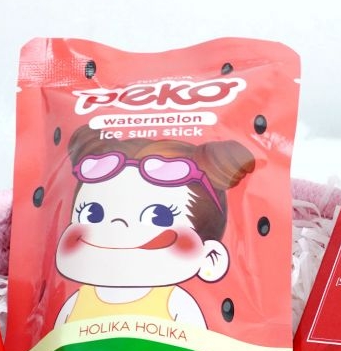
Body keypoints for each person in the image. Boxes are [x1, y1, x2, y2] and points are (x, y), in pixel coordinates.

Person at [53, 126, 255, 329]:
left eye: (159, 217)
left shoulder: (176, 304)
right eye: (92, 213)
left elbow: (199, 347)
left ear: (210, 257)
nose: (118, 225)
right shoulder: (77, 301)